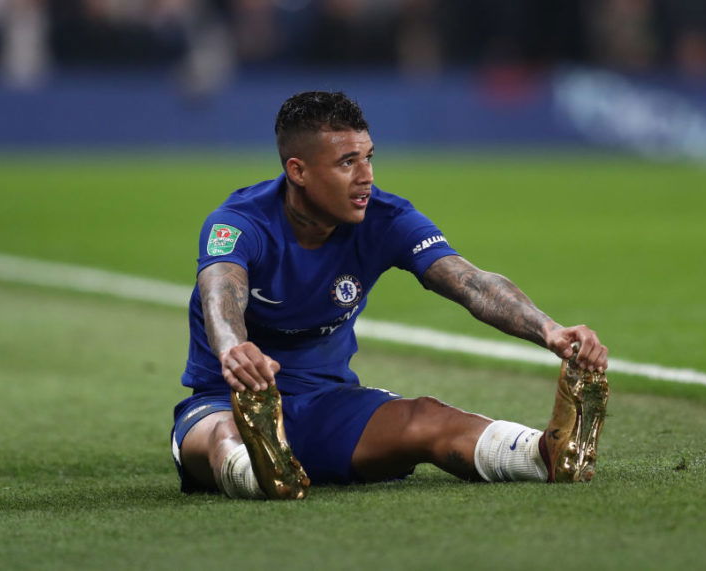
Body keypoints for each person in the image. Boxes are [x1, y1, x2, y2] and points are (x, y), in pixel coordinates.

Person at [171, 91, 609, 500]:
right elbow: (221, 292)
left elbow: (470, 282)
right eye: (347, 163)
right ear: (298, 170)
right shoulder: (239, 222)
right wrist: (234, 348)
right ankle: (259, 468)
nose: (366, 177)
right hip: (226, 401)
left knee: (425, 416)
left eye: (369, 158)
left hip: (328, 404)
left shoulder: (386, 218)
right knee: (223, 436)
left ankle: (541, 455)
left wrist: (549, 330)